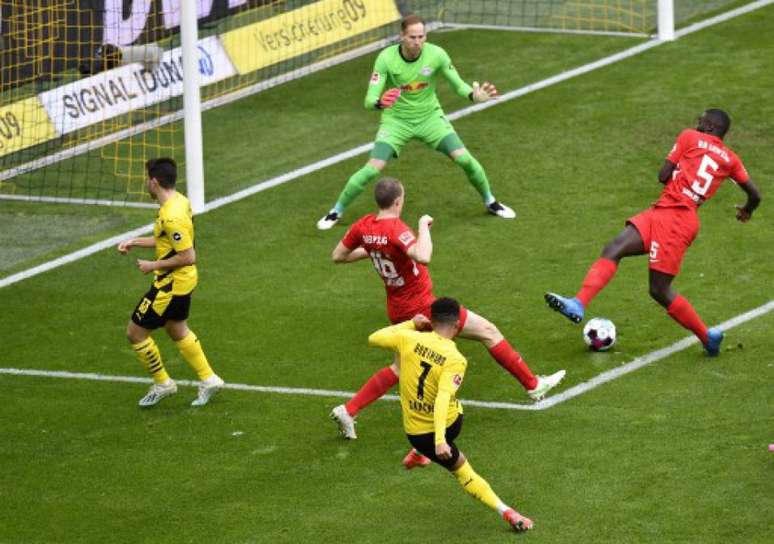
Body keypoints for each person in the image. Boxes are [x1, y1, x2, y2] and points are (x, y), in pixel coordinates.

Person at [329, 177, 565, 464]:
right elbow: (423, 255)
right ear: (398, 201)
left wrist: (376, 249)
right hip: (424, 307)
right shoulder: (397, 230)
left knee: (400, 368)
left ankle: (349, 410)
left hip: (397, 308)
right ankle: (532, 385)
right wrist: (423, 226)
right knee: (488, 331)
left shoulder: (364, 226)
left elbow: (338, 256)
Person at [545, 109, 761, 355]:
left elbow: (663, 175)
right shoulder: (731, 159)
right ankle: (578, 303)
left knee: (659, 289)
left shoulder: (689, 137)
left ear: (710, 126)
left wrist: (681, 166)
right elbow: (755, 194)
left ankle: (707, 338)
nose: (697, 123)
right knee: (614, 248)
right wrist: (746, 211)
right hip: (666, 212)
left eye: (701, 120)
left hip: (676, 220)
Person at [316, 14, 514, 230]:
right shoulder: (386, 59)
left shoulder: (436, 55)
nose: (418, 42)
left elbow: (459, 85)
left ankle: (491, 202)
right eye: (412, 37)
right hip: (396, 122)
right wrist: (380, 103)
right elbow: (368, 100)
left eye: (421, 36)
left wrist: (473, 96)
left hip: (430, 119)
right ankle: (335, 211)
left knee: (465, 160)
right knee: (372, 169)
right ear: (402, 36)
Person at [368, 297, 533, 532]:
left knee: (450, 440)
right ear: (457, 325)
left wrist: (411, 324)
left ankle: (419, 453)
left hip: (417, 434)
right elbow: (442, 398)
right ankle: (508, 512)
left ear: (431, 320)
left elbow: (373, 338)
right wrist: (440, 440)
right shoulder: (455, 359)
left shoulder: (409, 338)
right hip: (447, 427)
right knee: (464, 471)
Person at [117, 158, 224, 407]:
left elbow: (188, 255)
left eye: (147, 179)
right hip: (183, 282)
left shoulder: (171, 216)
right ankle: (209, 378)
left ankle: (163, 383)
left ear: (154, 182)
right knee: (177, 329)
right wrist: (134, 241)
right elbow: (167, 242)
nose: (146, 183)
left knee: (135, 333)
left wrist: (152, 266)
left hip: (169, 285)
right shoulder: (180, 201)